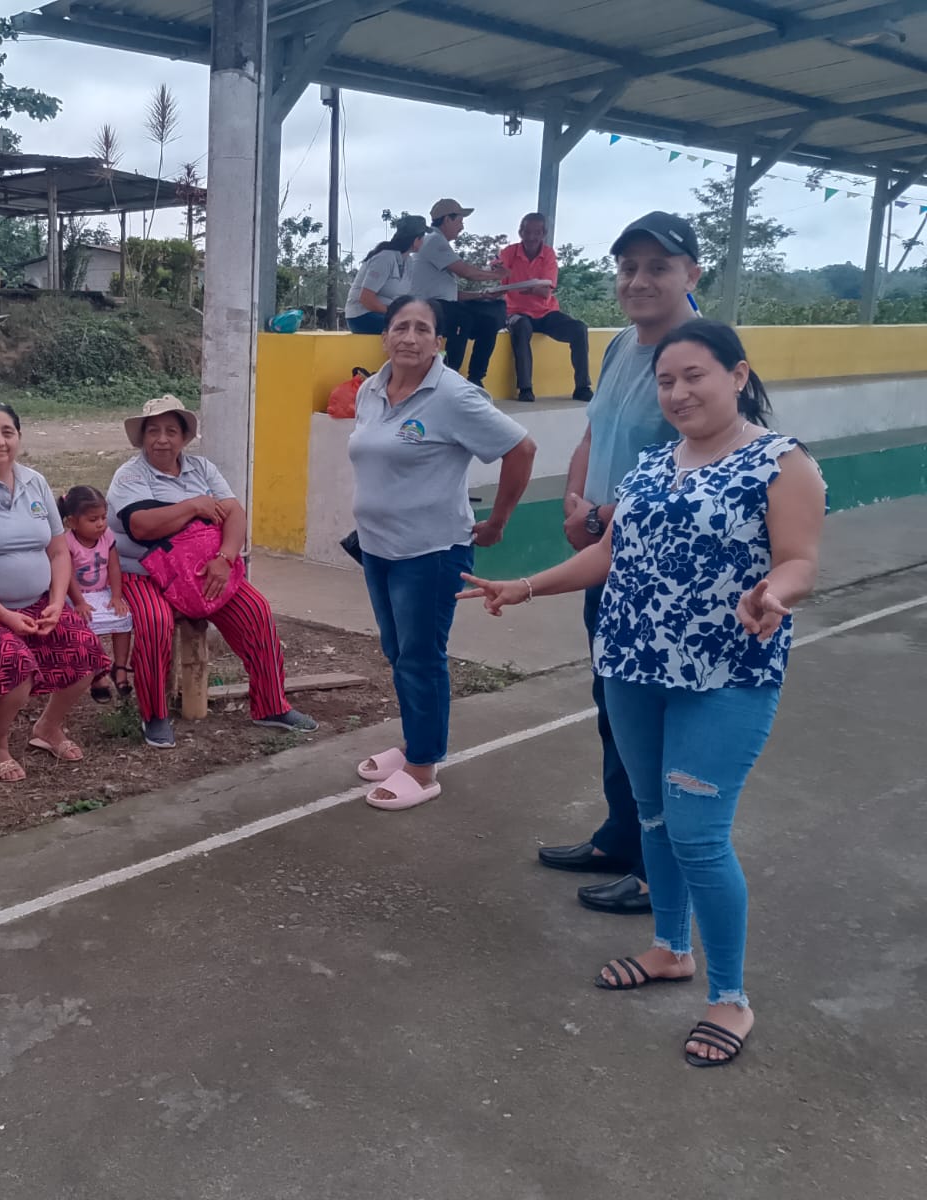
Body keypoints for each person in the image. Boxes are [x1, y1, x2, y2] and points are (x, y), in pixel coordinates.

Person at [459, 320, 826, 1067]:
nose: (679, 392)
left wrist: (774, 595)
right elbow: (608, 553)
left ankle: (730, 998)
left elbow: (799, 561)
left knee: (699, 835)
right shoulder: (654, 464)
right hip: (630, 667)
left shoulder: (782, 463)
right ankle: (669, 950)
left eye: (695, 376)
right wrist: (525, 586)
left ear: (737, 374)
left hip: (724, 677)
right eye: (665, 381)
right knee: (653, 816)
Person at [538, 211, 704, 918]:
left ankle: (655, 870)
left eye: (658, 267)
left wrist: (601, 518)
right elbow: (593, 433)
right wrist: (576, 504)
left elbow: (704, 466)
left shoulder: (699, 356)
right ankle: (620, 836)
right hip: (606, 561)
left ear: (692, 274)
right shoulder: (616, 347)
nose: (638, 280)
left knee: (658, 726)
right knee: (615, 709)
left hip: (664, 580)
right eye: (629, 267)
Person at [348, 296, 536, 809]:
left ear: (439, 341)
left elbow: (521, 448)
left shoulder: (454, 396)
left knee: (421, 657)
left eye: (422, 329)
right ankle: (416, 741)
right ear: (385, 335)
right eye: (400, 327)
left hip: (430, 553)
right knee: (398, 651)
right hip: (378, 548)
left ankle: (423, 766)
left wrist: (498, 521)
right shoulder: (371, 388)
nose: (409, 337)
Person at [107, 395, 318, 750]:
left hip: (205, 569)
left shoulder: (202, 469)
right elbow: (141, 526)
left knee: (256, 610)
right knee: (155, 622)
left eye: (171, 431)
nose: (162, 439)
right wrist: (194, 506)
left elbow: (235, 513)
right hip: (143, 573)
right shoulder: (130, 475)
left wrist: (225, 558)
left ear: (184, 438)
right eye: (153, 431)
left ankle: (271, 705)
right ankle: (154, 714)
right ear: (142, 437)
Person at [0, 403, 108, 781]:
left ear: (19, 437)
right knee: (15, 663)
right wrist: (5, 616)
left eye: (7, 432)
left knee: (85, 649)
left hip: (38, 603)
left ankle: (48, 728)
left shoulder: (34, 482)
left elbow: (58, 551)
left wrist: (57, 602)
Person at [405, 198, 508, 386]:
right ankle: (450, 377)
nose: (462, 227)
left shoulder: (436, 242)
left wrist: (481, 295)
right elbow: (467, 272)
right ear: (447, 220)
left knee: (488, 322)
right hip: (427, 306)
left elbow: (449, 293)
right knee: (462, 319)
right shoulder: (435, 241)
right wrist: (498, 275)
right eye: (460, 221)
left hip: (440, 303)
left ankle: (475, 379)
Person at [497, 212, 592, 403]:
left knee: (579, 329)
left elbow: (545, 291)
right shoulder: (509, 252)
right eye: (527, 232)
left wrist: (529, 288)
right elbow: (498, 274)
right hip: (516, 311)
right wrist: (496, 270)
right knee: (521, 326)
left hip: (546, 313)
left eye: (537, 232)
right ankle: (525, 388)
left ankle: (582, 387)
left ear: (544, 234)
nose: (531, 237)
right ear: (520, 232)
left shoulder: (548, 254)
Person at [59, 484, 134, 703]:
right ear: (72, 522)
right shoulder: (67, 542)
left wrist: (116, 596)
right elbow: (68, 576)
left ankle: (120, 667)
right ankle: (97, 674)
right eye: (93, 520)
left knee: (123, 618)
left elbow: (114, 567)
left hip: (102, 591)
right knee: (87, 623)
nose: (101, 523)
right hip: (76, 595)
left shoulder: (107, 537)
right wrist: (79, 602)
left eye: (103, 517)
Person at [344, 214, 429, 335]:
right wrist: (395, 313)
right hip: (361, 316)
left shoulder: (408, 262)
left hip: (386, 315)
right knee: (410, 330)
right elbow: (366, 298)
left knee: (424, 327)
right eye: (423, 237)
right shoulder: (385, 258)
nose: (424, 241)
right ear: (416, 240)